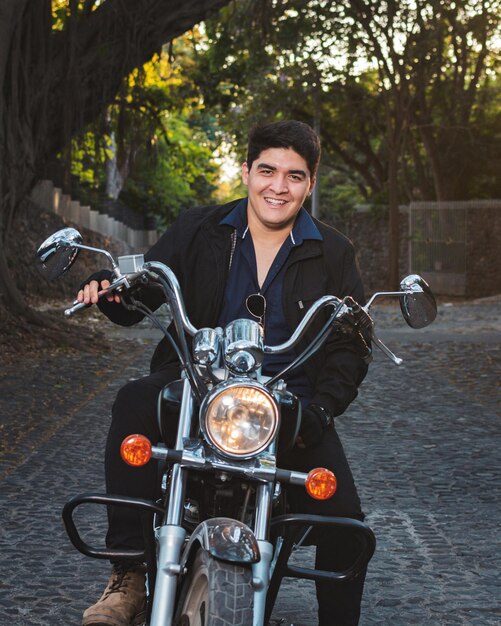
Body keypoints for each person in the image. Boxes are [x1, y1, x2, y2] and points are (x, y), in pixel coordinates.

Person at [78, 120, 371, 626]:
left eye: (295, 176)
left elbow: (351, 347)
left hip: (286, 407)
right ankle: (127, 575)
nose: (279, 186)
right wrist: (109, 286)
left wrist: (321, 409)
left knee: (347, 524)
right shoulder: (199, 229)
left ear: (310, 183)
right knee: (133, 400)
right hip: (194, 386)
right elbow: (141, 294)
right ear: (246, 172)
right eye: (268, 171)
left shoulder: (334, 252)